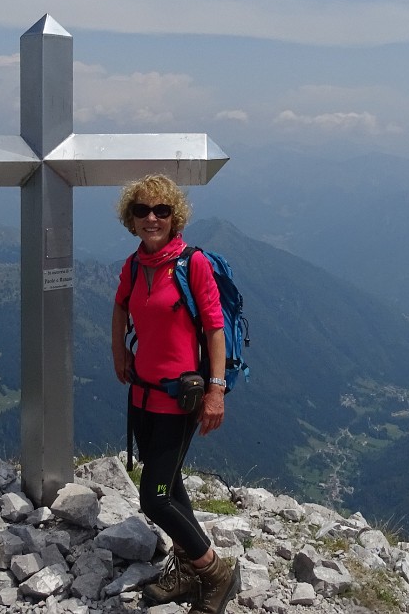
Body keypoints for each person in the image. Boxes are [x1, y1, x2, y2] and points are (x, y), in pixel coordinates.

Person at [113, 173, 239, 614]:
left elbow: (214, 327)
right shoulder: (134, 266)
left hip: (179, 400)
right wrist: (118, 353)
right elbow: (120, 305)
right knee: (170, 482)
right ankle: (187, 567)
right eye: (142, 210)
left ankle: (214, 571)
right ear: (131, 217)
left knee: (154, 497)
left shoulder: (191, 264)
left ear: (174, 216)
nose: (152, 218)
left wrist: (217, 390)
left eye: (161, 210)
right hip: (143, 397)